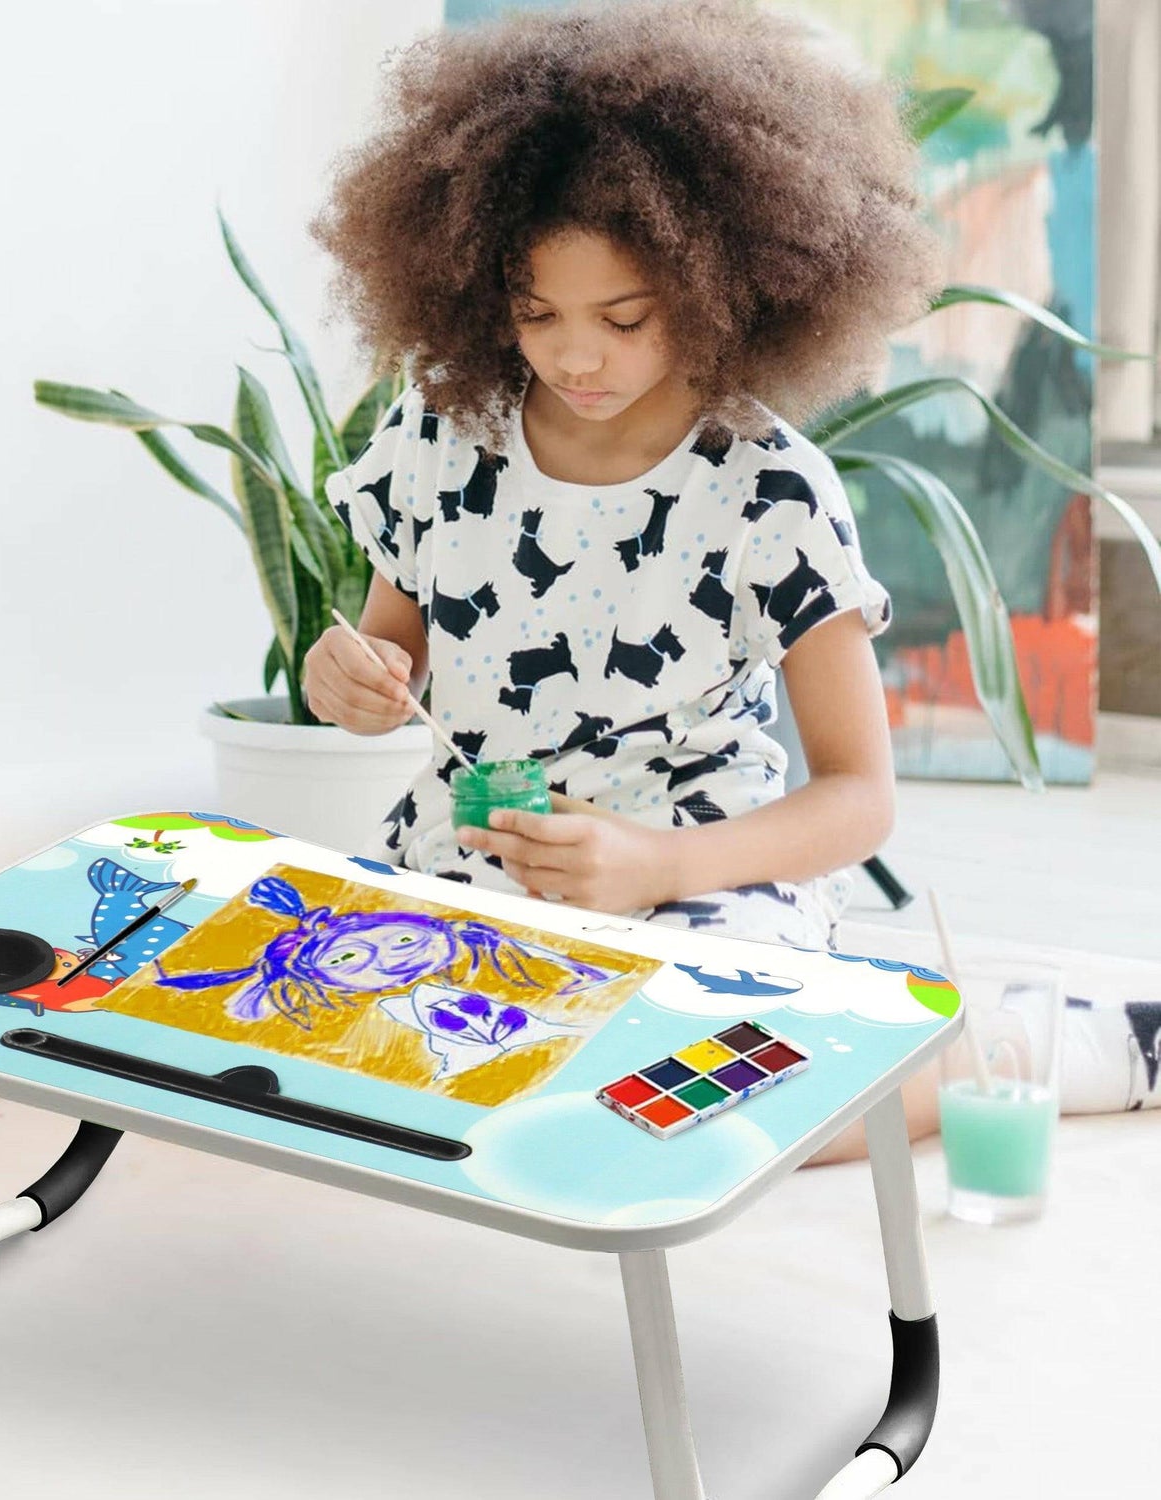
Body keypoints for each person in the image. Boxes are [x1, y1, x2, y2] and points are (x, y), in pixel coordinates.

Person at [301, 1, 945, 1158]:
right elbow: (392, 648)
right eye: (536, 312)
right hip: (473, 856)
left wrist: (658, 865)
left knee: (663, 1108)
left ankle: (1025, 1064)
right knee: (327, 1051)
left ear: (718, 290)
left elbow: (861, 796)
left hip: (699, 870)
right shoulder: (447, 433)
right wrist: (344, 676)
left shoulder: (768, 490)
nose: (575, 355)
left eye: (624, 316)